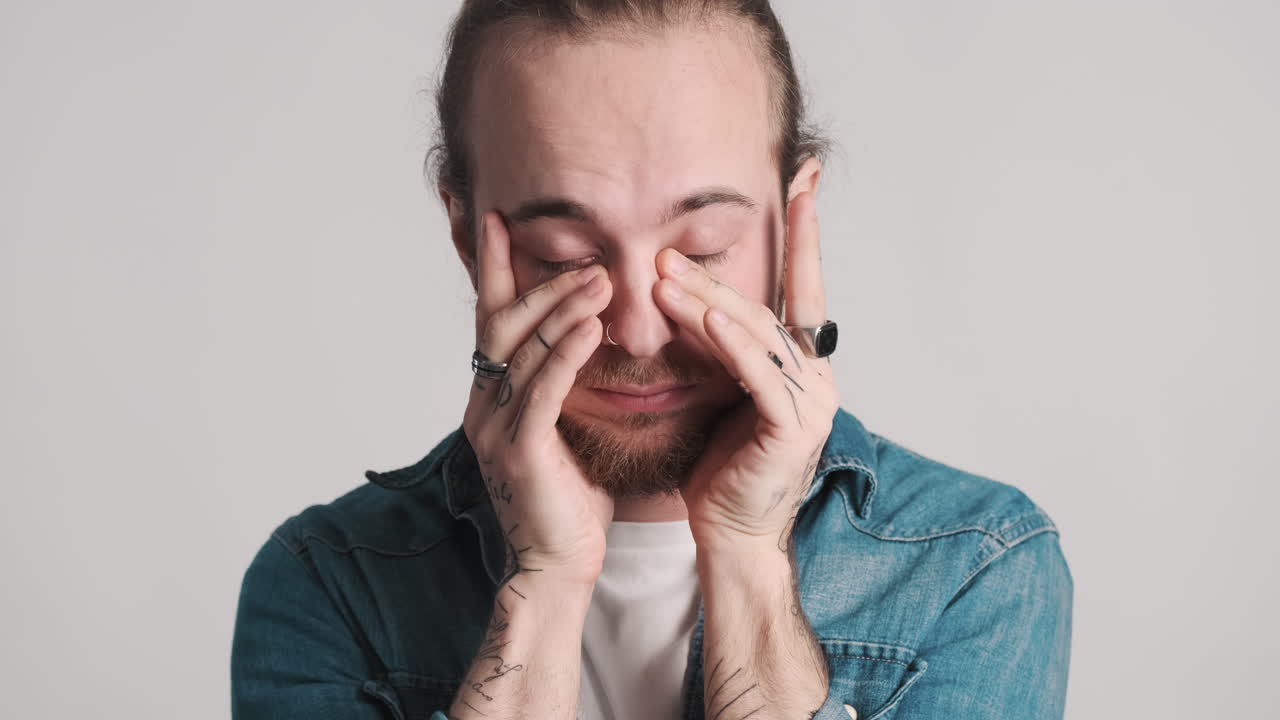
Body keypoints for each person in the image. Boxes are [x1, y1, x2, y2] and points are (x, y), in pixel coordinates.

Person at [230, 2, 1073, 718]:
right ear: (466, 237)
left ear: (794, 222)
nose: (637, 331)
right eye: (563, 256)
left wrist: (747, 557)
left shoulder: (976, 570)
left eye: (702, 250)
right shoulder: (328, 588)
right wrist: (545, 586)